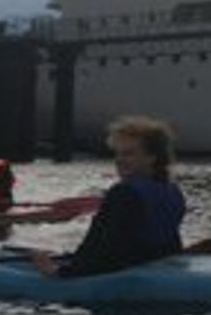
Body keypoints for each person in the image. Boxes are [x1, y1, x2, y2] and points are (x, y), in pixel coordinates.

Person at [30, 116, 185, 278]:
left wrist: (56, 271)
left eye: (128, 154)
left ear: (152, 157)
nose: (119, 160)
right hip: (157, 268)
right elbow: (170, 245)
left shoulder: (124, 193)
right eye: (117, 154)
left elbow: (103, 251)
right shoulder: (172, 190)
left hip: (121, 277)